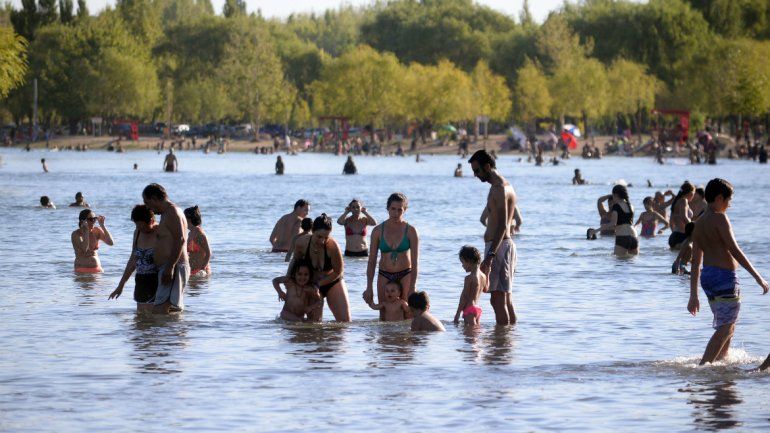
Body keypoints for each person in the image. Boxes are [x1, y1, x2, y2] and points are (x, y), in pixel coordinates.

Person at [687, 178, 769, 365]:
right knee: (725, 327)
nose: (729, 205)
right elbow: (734, 249)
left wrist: (693, 295)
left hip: (708, 278)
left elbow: (695, 262)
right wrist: (758, 277)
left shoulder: (698, 223)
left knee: (728, 326)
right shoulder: (720, 218)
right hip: (724, 278)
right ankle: (704, 367)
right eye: (728, 200)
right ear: (719, 198)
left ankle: (721, 362)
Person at [469, 150, 517, 325]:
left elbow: (503, 225)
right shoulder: (505, 186)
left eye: (477, 171)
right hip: (502, 246)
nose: (475, 175)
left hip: (499, 247)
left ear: (487, 166)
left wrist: (490, 256)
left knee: (498, 301)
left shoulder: (499, 189)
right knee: (505, 300)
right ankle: (506, 343)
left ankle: (501, 347)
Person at [364, 193, 420, 319]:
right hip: (385, 273)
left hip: (405, 274)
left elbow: (415, 262)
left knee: (408, 313)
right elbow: (371, 261)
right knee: (384, 315)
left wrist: (413, 286)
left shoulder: (411, 231)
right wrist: (369, 287)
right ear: (387, 209)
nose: (396, 213)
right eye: (393, 209)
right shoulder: (378, 231)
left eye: (400, 209)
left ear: (405, 210)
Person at [291, 214, 351, 322]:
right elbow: (295, 264)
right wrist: (290, 284)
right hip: (311, 284)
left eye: (326, 237)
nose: (322, 241)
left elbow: (338, 271)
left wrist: (319, 284)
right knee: (313, 325)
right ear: (312, 231)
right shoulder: (301, 243)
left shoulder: (333, 246)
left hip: (332, 281)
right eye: (319, 237)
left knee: (344, 323)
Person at [142, 183, 189, 314]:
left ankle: (171, 334)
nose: (147, 207)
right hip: (169, 266)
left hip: (174, 266)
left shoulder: (172, 212)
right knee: (168, 311)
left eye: (147, 202)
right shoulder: (166, 213)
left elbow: (180, 240)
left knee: (160, 310)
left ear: (154, 199)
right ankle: (170, 334)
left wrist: (170, 267)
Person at [109, 205, 159, 312]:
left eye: (141, 226)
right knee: (140, 319)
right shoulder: (137, 233)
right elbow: (132, 260)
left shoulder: (161, 233)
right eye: (136, 225)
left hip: (157, 280)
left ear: (151, 221)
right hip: (140, 280)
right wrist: (120, 286)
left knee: (154, 318)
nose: (138, 228)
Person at [453, 246, 488, 326]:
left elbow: (464, 297)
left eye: (463, 263)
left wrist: (457, 314)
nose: (462, 266)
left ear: (469, 261)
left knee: (469, 335)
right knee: (476, 333)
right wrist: (488, 273)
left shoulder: (469, 278)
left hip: (469, 309)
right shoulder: (483, 276)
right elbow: (486, 289)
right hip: (477, 308)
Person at [609, 185, 638, 255]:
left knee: (619, 264)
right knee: (632, 264)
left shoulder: (616, 206)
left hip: (622, 237)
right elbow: (628, 222)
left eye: (612, 196)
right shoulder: (631, 206)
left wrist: (596, 230)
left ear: (615, 195)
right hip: (634, 237)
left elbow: (613, 224)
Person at [184, 206, 211, 277]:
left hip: (200, 272)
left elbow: (208, 253)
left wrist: (202, 269)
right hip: (192, 271)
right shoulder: (190, 233)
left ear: (188, 219)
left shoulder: (199, 233)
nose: (182, 220)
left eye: (183, 218)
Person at [669, 181, 695, 249]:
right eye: (693, 194)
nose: (693, 196)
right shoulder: (684, 201)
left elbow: (671, 222)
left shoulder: (676, 201)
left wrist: (673, 233)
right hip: (683, 236)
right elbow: (684, 216)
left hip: (674, 237)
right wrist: (694, 228)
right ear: (691, 192)